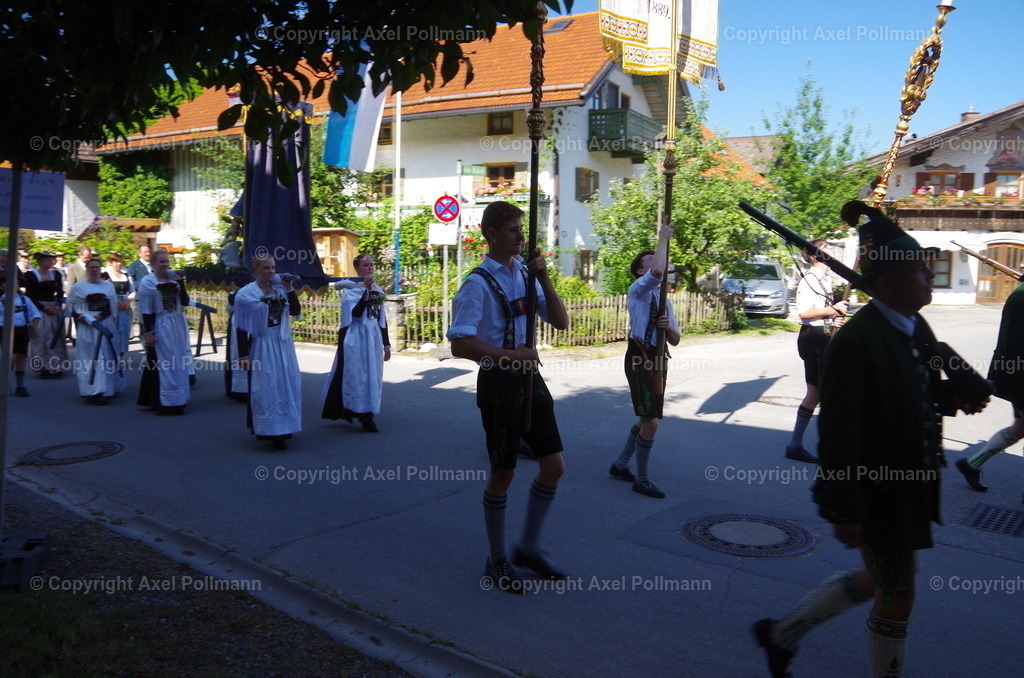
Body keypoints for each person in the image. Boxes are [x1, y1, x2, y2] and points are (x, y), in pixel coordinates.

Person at [753, 202, 990, 678]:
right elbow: (839, 431)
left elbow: (910, 395)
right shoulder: (855, 341)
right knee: (899, 594)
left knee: (883, 580)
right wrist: (845, 508)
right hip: (878, 493)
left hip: (909, 488)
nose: (930, 274)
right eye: (918, 269)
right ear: (887, 282)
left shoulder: (913, 326)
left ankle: (781, 635)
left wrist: (952, 390)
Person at [447, 200, 570, 594]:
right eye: (514, 229)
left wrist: (544, 278)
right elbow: (460, 344)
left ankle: (528, 548)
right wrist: (511, 356)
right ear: (492, 234)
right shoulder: (476, 284)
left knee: (554, 466)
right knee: (504, 473)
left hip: (530, 379)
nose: (521, 236)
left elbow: (561, 322)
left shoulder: (526, 275)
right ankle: (497, 558)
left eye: (521, 228)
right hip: (498, 383)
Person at [608, 221, 680, 498]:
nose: (656, 260)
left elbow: (676, 340)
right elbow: (658, 271)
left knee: (646, 417)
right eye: (649, 259)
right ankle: (642, 479)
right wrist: (662, 238)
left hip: (659, 357)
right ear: (641, 271)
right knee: (651, 421)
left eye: (655, 256)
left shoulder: (665, 300)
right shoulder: (638, 289)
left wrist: (668, 327)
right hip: (640, 356)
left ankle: (620, 464)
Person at [955, 280, 1024, 501]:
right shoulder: (1021, 297)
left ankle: (972, 464)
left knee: (1020, 427)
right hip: (1019, 378)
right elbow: (1016, 350)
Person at [784, 240, 848, 464]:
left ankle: (802, 445)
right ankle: (796, 445)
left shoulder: (825, 279)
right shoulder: (810, 279)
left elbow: (823, 317)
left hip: (822, 335)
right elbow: (804, 313)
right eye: (827, 247)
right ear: (816, 255)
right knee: (817, 393)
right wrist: (833, 309)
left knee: (823, 392)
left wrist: (833, 320)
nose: (831, 249)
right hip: (813, 340)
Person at [233, 255, 302, 449]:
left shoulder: (280, 289)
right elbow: (241, 327)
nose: (270, 271)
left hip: (283, 343)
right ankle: (271, 429)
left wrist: (289, 288)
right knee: (267, 386)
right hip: (263, 344)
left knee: (286, 383)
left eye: (272, 267)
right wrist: (244, 355)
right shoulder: (246, 294)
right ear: (255, 270)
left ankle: (286, 425)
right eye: (266, 268)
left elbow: (295, 311)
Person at [321, 254, 391, 432]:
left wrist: (386, 344)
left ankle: (367, 411)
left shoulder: (378, 289)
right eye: (365, 265)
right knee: (357, 375)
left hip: (373, 336)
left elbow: (381, 318)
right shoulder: (350, 290)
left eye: (371, 264)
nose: (370, 267)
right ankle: (363, 414)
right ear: (357, 269)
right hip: (356, 336)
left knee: (372, 374)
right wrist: (366, 291)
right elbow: (356, 314)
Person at [136, 249, 192, 414]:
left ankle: (179, 398)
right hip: (161, 322)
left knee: (178, 359)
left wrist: (181, 283)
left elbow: (185, 301)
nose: (165, 264)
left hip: (177, 322)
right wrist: (148, 332)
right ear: (153, 263)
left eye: (167, 261)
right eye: (161, 261)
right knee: (164, 361)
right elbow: (146, 310)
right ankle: (165, 401)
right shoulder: (148, 282)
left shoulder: (174, 278)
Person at [67, 258, 124, 404]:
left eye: (97, 267)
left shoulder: (108, 286)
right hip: (87, 325)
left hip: (104, 323)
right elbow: (72, 306)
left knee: (105, 356)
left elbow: (112, 307)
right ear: (87, 270)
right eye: (91, 267)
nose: (94, 270)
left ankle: (106, 389)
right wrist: (80, 317)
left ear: (100, 269)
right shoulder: (79, 287)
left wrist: (101, 316)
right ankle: (91, 389)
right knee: (90, 357)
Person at [24, 252, 68, 378]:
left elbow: (60, 293)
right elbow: (30, 295)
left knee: (55, 337)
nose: (51, 262)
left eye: (52, 260)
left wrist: (58, 305)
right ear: (41, 261)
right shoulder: (31, 275)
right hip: (39, 309)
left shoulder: (56, 274)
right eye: (48, 260)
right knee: (40, 337)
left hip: (54, 308)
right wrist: (43, 308)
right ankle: (42, 367)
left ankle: (56, 365)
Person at [0, 272, 41, 396]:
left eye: (16, 283)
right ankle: (5, 384)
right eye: (9, 283)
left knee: (21, 358)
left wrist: (33, 328)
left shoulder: (24, 299)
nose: (14, 285)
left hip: (22, 330)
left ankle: (20, 386)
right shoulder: (1, 300)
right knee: (10, 357)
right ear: (2, 286)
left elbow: (35, 314)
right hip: (5, 330)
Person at [103, 252, 134, 357]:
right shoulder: (107, 275)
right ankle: (112, 356)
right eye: (116, 262)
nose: (118, 264)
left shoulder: (126, 275)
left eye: (120, 262)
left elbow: (132, 291)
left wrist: (127, 302)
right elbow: (106, 292)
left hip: (125, 306)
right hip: (112, 306)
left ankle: (120, 357)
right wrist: (117, 302)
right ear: (111, 263)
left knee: (124, 333)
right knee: (113, 331)